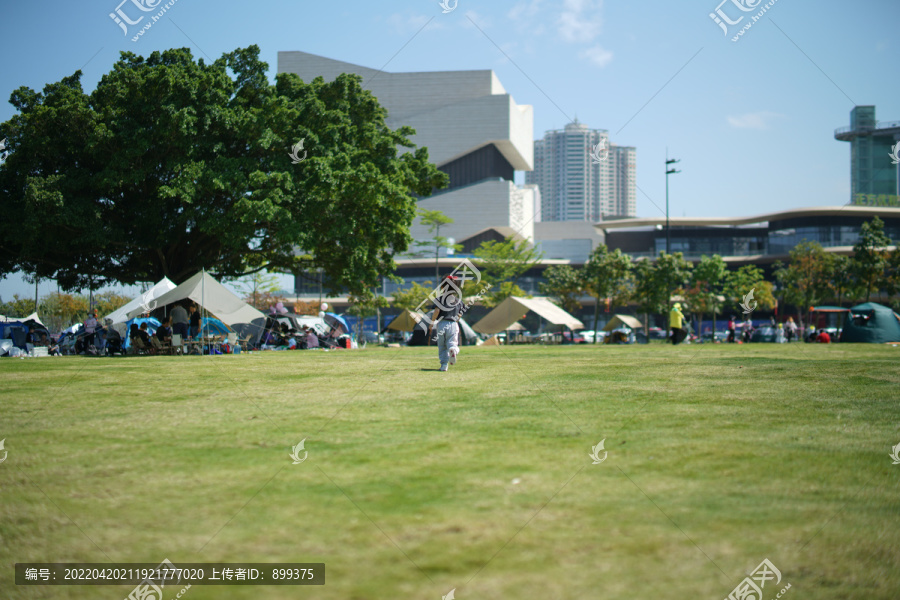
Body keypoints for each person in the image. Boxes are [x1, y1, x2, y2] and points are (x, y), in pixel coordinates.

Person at [427, 275, 463, 371]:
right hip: (453, 324)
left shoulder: (439, 299)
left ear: (442, 287)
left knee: (442, 346)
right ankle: (453, 350)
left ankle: (444, 365)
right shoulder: (458, 301)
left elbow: (437, 311)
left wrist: (431, 323)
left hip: (442, 324)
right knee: (452, 343)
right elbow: (459, 315)